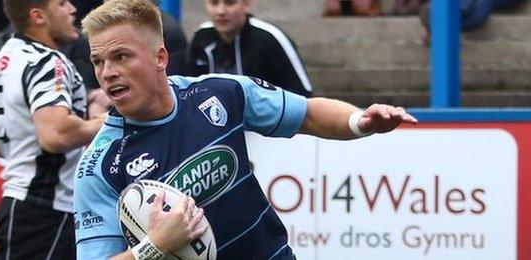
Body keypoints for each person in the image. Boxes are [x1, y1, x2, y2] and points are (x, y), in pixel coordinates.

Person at [75, 0, 418, 259]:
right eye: (98, 61)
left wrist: (360, 122)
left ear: (160, 58)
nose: (107, 72)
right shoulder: (100, 165)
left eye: (121, 57)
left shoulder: (220, 93)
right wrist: (156, 246)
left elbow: (309, 113)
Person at [0, 0, 107, 259]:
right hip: (46, 210)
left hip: (27, 208)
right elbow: (57, 135)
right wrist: (108, 120)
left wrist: (15, 150)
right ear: (38, 17)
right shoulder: (48, 62)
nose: (72, 8)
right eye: (61, 3)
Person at [187, 0, 313, 97]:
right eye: (214, 2)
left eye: (230, 2)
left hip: (266, 125)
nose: (221, 11)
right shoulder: (201, 36)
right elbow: (188, 87)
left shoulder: (270, 38)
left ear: (246, 3)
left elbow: (303, 94)